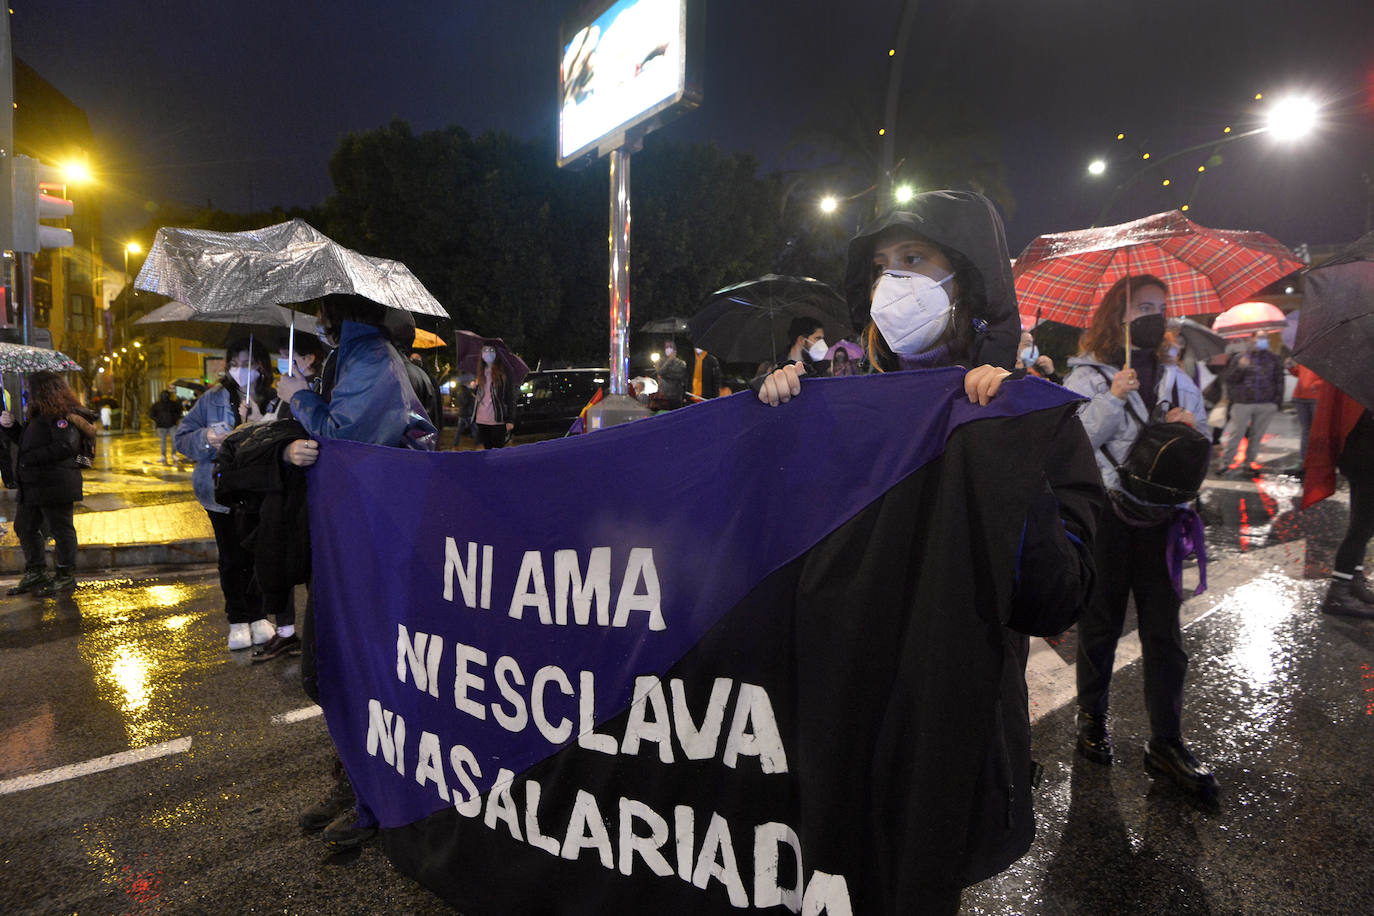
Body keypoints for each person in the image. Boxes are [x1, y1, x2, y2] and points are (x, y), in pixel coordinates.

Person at [759, 190, 1100, 910]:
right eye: (882, 266)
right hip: (839, 726)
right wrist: (778, 427)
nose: (893, 284)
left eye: (915, 260)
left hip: (951, 741)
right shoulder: (845, 409)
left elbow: (1058, 597)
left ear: (970, 284)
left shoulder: (1032, 418)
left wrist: (1008, 454)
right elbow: (773, 552)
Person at [276, 293, 437, 849]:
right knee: (330, 672)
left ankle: (375, 792)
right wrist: (292, 438)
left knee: (353, 673)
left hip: (371, 542)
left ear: (339, 313)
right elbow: (322, 446)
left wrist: (300, 399)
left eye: (320, 311)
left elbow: (346, 440)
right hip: (347, 539)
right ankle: (355, 777)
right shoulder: (352, 360)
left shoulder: (372, 362)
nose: (316, 321)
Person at [1062, 274, 1218, 806]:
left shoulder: (1178, 377)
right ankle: (1091, 720)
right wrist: (1113, 396)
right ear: (1118, 316)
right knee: (1100, 625)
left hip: (1163, 523)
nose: (1154, 315)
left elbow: (1202, 442)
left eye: (1160, 307)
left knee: (1165, 636)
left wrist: (1189, 428)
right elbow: (1073, 442)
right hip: (1108, 520)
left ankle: (1167, 742)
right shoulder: (1086, 375)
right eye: (1143, 306)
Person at [176, 338, 279, 651]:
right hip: (220, 492)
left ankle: (259, 615)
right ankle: (237, 619)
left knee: (257, 554)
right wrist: (207, 438)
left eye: (247, 363)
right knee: (231, 558)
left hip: (258, 491)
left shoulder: (274, 398)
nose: (240, 370)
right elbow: (182, 438)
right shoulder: (212, 399)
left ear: (261, 365)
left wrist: (259, 424)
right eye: (235, 363)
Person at [1, 371, 97, 596]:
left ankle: (65, 575)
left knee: (61, 529)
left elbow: (66, 447)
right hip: (34, 484)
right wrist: (10, 425)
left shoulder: (63, 416)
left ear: (43, 390)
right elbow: (26, 443)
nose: (27, 392)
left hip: (56, 483)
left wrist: (29, 459)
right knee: (25, 526)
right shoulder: (38, 415)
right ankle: (36, 572)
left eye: (30, 388)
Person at [1301, 381, 1374, 619]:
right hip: (1367, 458)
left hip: (1358, 455)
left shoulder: (1357, 370)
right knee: (1362, 527)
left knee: (1362, 525)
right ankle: (1338, 593)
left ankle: (1353, 579)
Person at [1216, 330, 1284, 477]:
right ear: (1251, 339)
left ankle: (1249, 463)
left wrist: (1277, 402)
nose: (1263, 340)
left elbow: (1279, 380)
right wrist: (1240, 367)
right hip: (1243, 402)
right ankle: (1226, 463)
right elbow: (1229, 379)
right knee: (1236, 433)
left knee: (1257, 435)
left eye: (1265, 338)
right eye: (1260, 337)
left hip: (1266, 403)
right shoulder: (1240, 357)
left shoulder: (1274, 359)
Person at [468, 345, 517, 449]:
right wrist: (474, 388)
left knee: (498, 452)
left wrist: (510, 420)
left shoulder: (504, 374)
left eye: (491, 350)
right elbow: (482, 396)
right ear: (481, 355)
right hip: (481, 419)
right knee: (487, 450)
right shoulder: (480, 373)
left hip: (498, 420)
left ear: (496, 354)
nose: (488, 353)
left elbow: (510, 397)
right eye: (485, 350)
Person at [148, 390, 183, 464]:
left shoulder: (170, 404)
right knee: (165, 441)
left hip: (169, 425)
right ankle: (166, 455)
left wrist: (174, 419)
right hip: (164, 426)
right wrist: (158, 420)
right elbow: (151, 414)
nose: (165, 397)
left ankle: (170, 455)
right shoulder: (158, 405)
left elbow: (179, 412)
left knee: (170, 440)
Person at [654, 339, 688, 409]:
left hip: (676, 396)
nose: (668, 349)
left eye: (670, 347)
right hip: (663, 396)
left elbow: (680, 375)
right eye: (666, 347)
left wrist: (665, 375)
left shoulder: (681, 363)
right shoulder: (660, 361)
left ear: (674, 349)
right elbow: (660, 372)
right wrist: (669, 360)